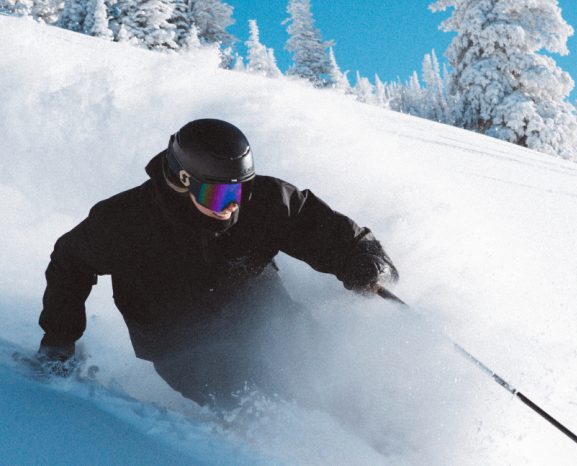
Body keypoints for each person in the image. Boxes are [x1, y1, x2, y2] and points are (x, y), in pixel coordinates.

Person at [36, 119, 396, 409]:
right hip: (180, 343)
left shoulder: (265, 201)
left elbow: (320, 228)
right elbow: (69, 263)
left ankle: (382, 430)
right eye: (219, 193)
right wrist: (58, 338)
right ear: (182, 181)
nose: (232, 204)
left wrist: (365, 259)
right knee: (259, 400)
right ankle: (287, 451)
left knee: (327, 373)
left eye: (239, 189)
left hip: (262, 313)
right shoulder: (125, 222)